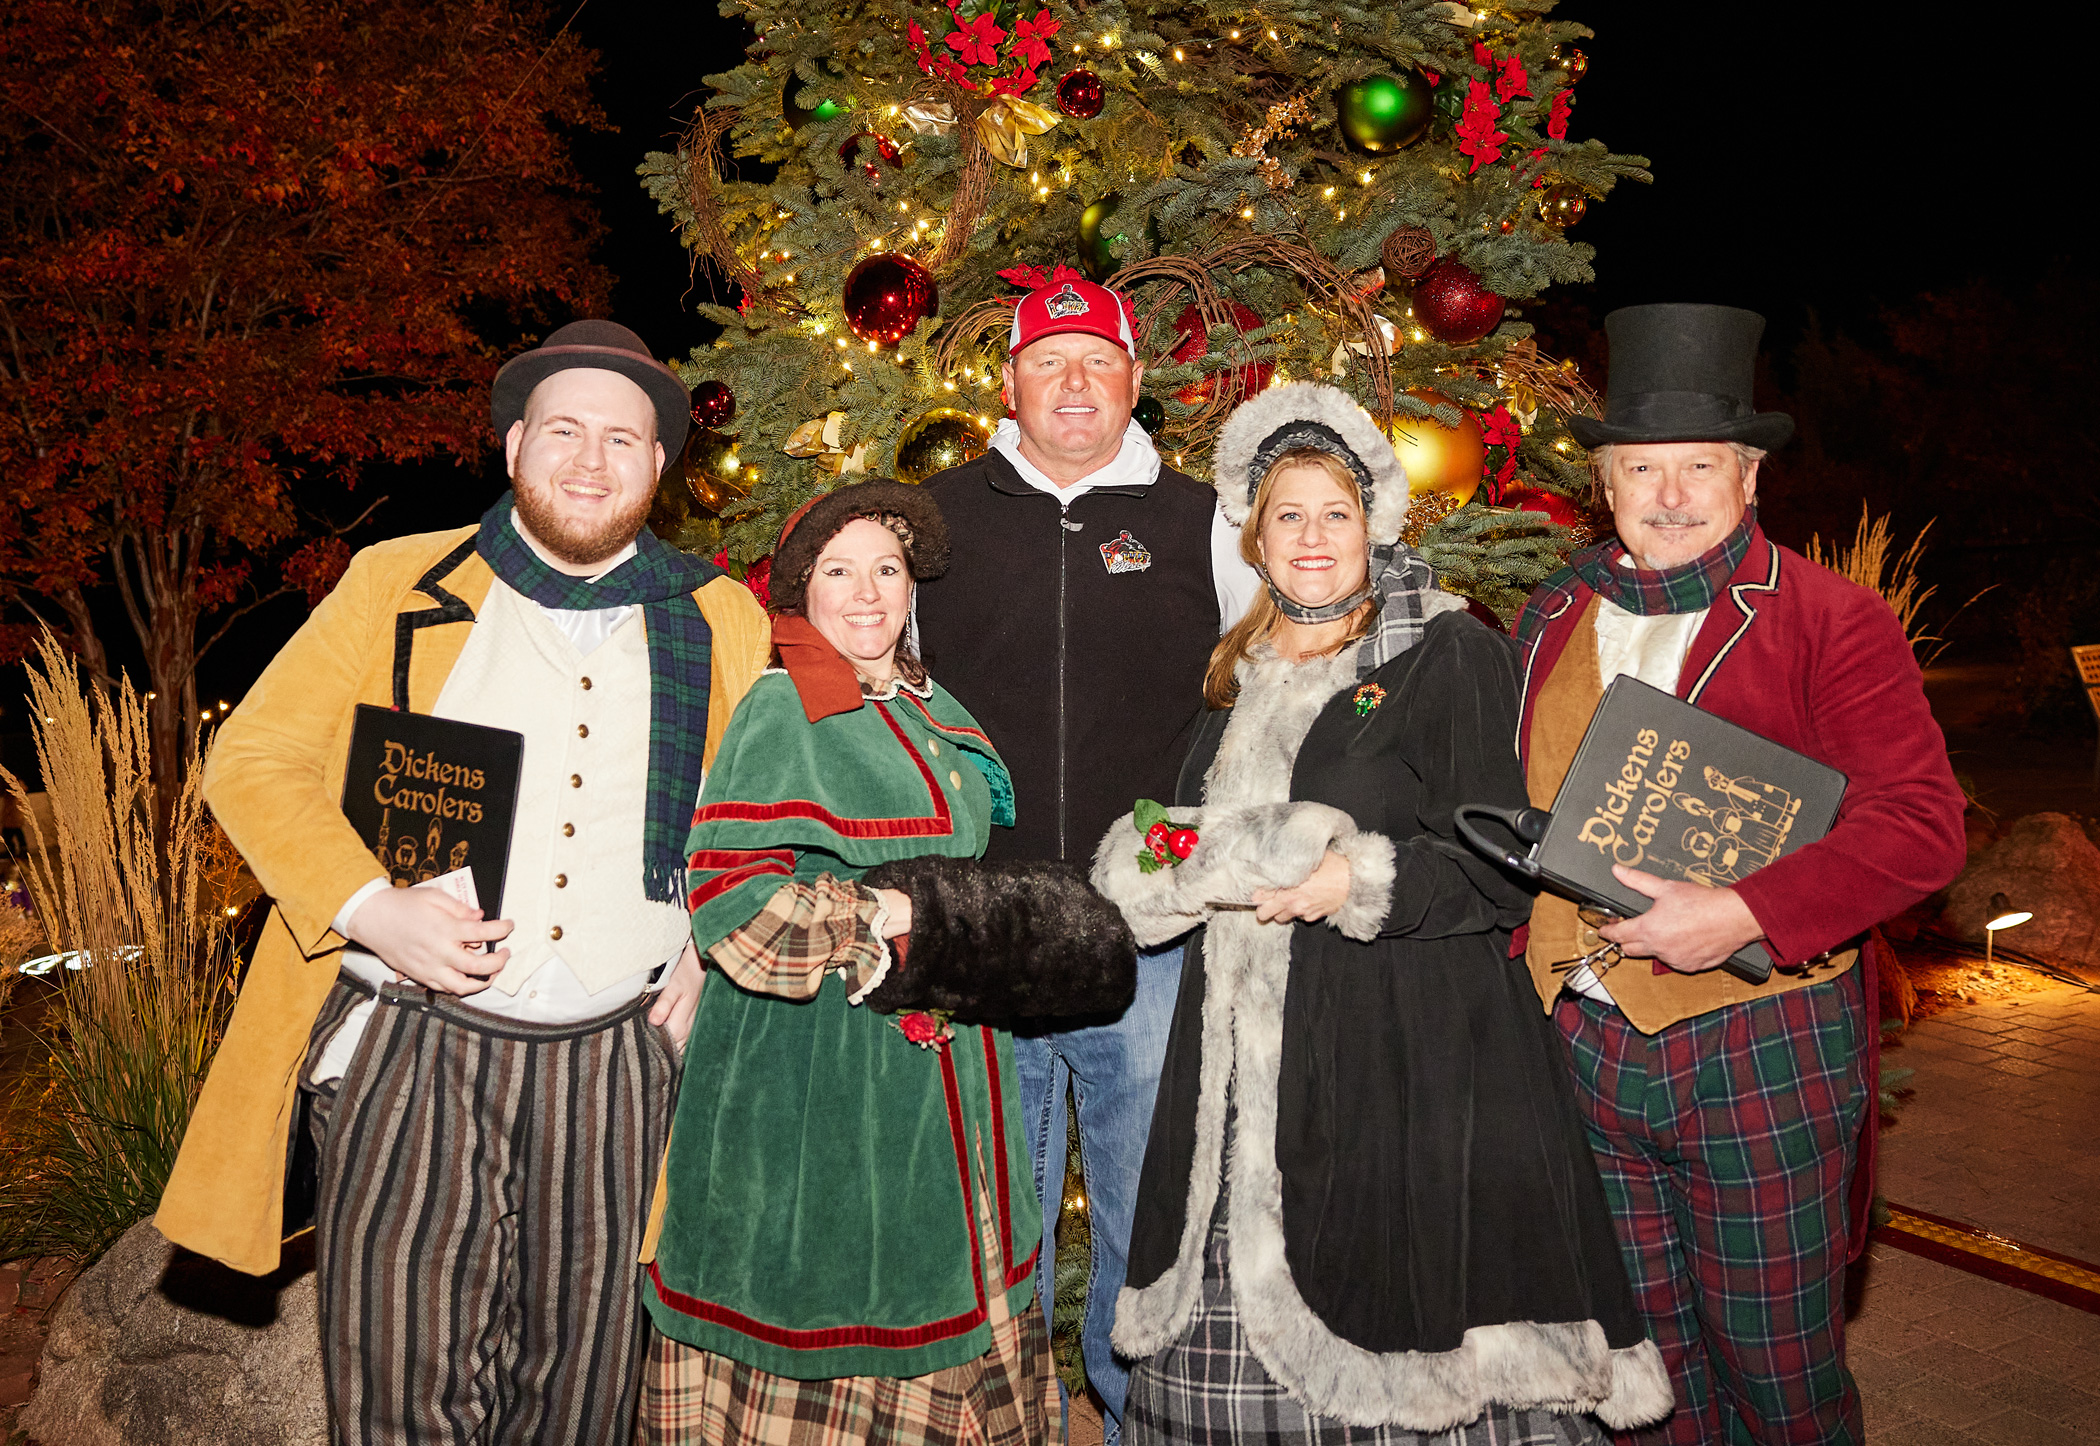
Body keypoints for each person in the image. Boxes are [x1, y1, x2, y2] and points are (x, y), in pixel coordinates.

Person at [156, 320, 772, 1444]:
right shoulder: (401, 582)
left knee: (581, 1396)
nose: (591, 461)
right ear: (512, 447)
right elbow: (250, 758)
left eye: (623, 439)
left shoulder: (719, 615)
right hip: (414, 1045)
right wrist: (370, 905)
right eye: (565, 432)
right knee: (401, 1386)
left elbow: (755, 813)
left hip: (620, 1062)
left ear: (658, 466)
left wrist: (712, 943)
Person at [1094, 382, 1673, 1445]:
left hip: (1404, 1040)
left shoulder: (1444, 651)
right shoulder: (1237, 669)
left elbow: (1500, 864)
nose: (1313, 538)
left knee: (1393, 1305)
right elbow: (1182, 828)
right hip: (1235, 1056)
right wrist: (1157, 863)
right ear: (1257, 539)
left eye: (1336, 514)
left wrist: (1356, 882)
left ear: (1375, 523)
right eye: (1288, 516)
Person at [1512, 304, 1968, 1444]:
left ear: (1750, 474)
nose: (1670, 496)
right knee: (1646, 1376)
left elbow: (1922, 826)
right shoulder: (1550, 615)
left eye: (1699, 467)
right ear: (1606, 483)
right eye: (1643, 469)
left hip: (1760, 1046)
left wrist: (1746, 910)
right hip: (1586, 1047)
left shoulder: (1830, 621)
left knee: (1779, 1379)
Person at [643, 480, 1140, 1446]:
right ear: (801, 592)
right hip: (825, 1083)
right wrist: (901, 922)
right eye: (839, 572)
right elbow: (737, 905)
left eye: (887, 570)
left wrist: (981, 932)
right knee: (848, 1306)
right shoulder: (787, 708)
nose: (866, 594)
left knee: (958, 1279)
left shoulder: (923, 702)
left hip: (950, 1082)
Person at [915, 271, 1257, 1443]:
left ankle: (1137, 1422)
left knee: (1141, 1215)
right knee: (986, 1218)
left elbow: (1273, 695)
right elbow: (876, 701)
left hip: (1144, 938)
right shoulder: (934, 523)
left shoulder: (1205, 520)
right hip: (986, 931)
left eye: (1097, 361)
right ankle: (997, 1424)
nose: (1074, 383)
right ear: (1008, 381)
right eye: (1049, 361)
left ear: (1134, 379)